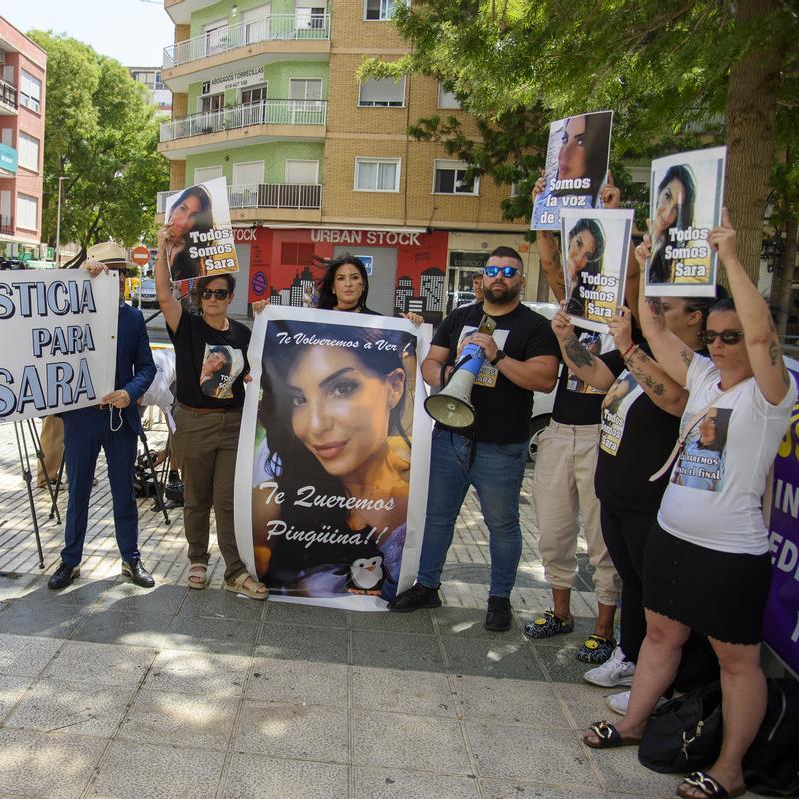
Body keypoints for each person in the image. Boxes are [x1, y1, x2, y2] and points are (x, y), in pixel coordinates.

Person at [583, 212, 796, 799]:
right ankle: (631, 724)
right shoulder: (703, 378)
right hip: (672, 535)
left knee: (736, 663)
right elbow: (653, 330)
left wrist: (727, 254)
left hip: (729, 551)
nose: (723, 345)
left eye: (733, 337)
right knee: (659, 637)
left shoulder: (771, 393)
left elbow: (760, 339)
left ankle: (728, 769)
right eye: (715, 337)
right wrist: (642, 265)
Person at [559, 274, 724, 714]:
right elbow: (593, 372)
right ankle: (629, 657)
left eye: (664, 309)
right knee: (634, 583)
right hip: (615, 493)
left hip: (652, 502)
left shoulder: (704, 369)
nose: (654, 314)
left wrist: (632, 345)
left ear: (696, 317)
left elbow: (673, 401)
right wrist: (566, 338)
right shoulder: (644, 352)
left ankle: (662, 681)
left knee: (657, 595)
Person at [389, 246, 559, 631]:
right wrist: (449, 372)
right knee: (438, 519)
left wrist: (496, 357)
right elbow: (430, 364)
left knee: (502, 525)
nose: (500, 277)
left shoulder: (535, 326)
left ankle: (499, 598)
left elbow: (545, 378)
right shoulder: (460, 317)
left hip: (502, 444)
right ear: (481, 278)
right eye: (494, 270)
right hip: (450, 436)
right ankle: (427, 585)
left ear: (520, 279)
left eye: (509, 271)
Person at [521, 177, 623, 663]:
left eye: (589, 248)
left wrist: (615, 213)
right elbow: (546, 258)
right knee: (554, 529)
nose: (578, 259)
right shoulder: (570, 302)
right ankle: (559, 611)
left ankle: (604, 627)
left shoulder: (624, 314)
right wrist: (544, 202)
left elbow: (601, 379)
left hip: (605, 436)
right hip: (559, 432)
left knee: (601, 537)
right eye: (575, 248)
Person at [253, 320, 414, 598]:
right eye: (298, 399)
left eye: (342, 388)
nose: (315, 426)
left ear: (394, 386)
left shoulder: (421, 491)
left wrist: (414, 330)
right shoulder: (272, 504)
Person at [155, 224, 264, 598]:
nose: (214, 299)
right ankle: (198, 560)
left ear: (231, 297)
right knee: (196, 499)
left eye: (221, 293)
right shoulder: (186, 327)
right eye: (207, 293)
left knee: (228, 502)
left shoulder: (243, 335)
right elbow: (164, 294)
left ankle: (235, 570)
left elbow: (253, 374)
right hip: (193, 423)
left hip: (233, 427)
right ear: (199, 297)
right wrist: (163, 249)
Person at [47, 242, 157, 590]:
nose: (117, 278)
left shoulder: (133, 317)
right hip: (81, 417)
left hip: (119, 417)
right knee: (78, 489)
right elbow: (47, 310)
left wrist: (130, 392)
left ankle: (131, 558)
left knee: (124, 490)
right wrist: (81, 276)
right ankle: (70, 560)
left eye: (121, 273)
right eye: (110, 272)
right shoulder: (75, 312)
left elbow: (147, 367)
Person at [647, 164, 697, 285]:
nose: (668, 213)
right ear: (659, 191)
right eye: (667, 196)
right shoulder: (646, 245)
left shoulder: (675, 256)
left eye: (677, 208)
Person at [551, 112, 611, 207]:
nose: (565, 153)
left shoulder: (599, 205)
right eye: (565, 139)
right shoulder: (552, 201)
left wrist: (611, 212)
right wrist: (538, 201)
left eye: (581, 142)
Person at [160, 185, 213, 282]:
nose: (184, 221)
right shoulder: (162, 243)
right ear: (173, 209)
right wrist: (162, 249)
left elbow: (165, 295)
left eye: (193, 216)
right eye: (183, 209)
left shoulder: (190, 258)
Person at [563, 217, 605, 317]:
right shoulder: (559, 274)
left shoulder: (581, 292)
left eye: (588, 256)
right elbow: (548, 265)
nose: (579, 259)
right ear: (570, 237)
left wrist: (572, 286)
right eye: (579, 243)